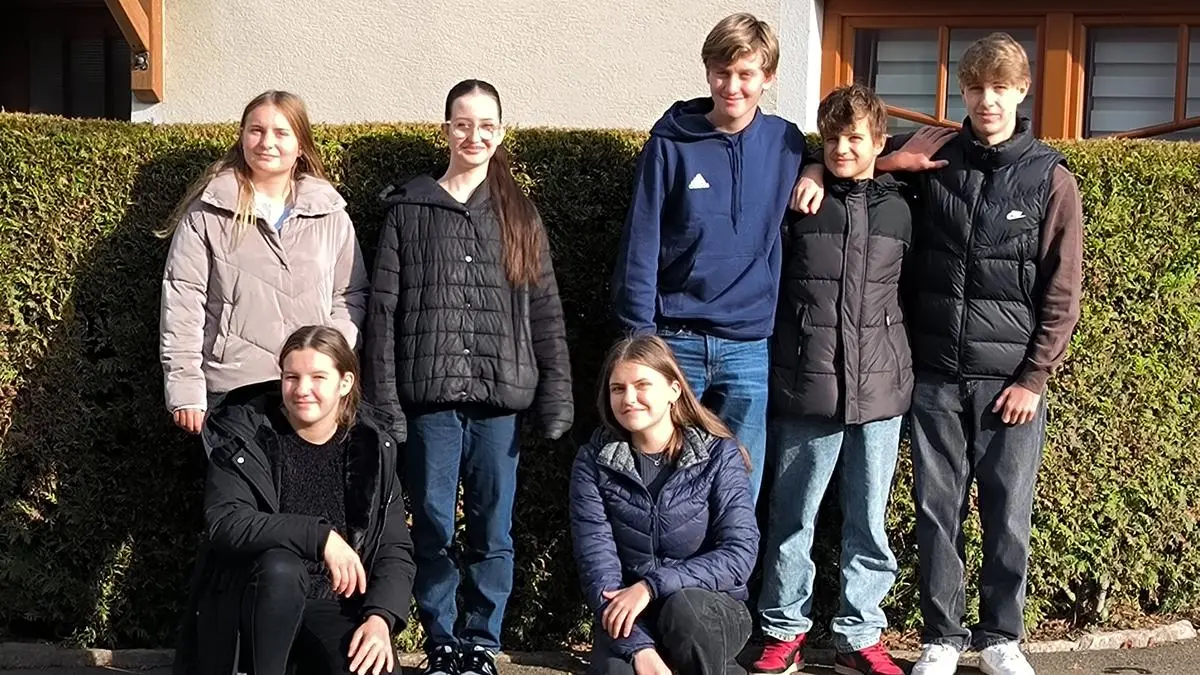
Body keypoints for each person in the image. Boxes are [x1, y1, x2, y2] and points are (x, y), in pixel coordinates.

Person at [805, 33, 1084, 675]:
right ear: (964, 91)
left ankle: (1001, 638)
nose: (988, 100)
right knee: (937, 511)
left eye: (1001, 88)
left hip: (1009, 382)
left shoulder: (1050, 176)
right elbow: (845, 152)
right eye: (977, 87)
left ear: (1022, 91)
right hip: (931, 372)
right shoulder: (932, 157)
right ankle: (943, 637)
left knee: (1008, 512)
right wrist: (815, 169)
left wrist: (1034, 376)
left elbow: (1061, 291)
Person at [363, 79, 573, 675]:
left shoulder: (518, 213)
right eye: (462, 123)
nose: (474, 135)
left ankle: (481, 641)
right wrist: (383, 405)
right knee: (430, 524)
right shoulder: (409, 209)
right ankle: (441, 639)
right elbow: (382, 313)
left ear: (500, 133)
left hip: (499, 401)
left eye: (486, 125)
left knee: (492, 528)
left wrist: (556, 392)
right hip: (428, 401)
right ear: (445, 130)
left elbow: (545, 309)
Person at [609, 13, 822, 502]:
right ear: (708, 72)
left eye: (746, 74)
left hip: (747, 345)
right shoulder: (670, 144)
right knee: (658, 479)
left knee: (738, 485)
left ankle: (725, 581)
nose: (732, 86)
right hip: (673, 340)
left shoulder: (786, 142)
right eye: (722, 72)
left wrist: (816, 172)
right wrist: (640, 338)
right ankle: (658, 579)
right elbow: (640, 242)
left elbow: (846, 153)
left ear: (768, 78)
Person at [750, 84, 911, 675]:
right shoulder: (800, 204)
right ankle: (784, 630)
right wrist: (812, 169)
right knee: (792, 519)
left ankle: (859, 637)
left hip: (881, 391)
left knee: (869, 522)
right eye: (832, 139)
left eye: (856, 138)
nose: (843, 148)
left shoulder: (902, 206)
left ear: (878, 143)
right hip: (804, 387)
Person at [173, 325, 415, 675]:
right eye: (291, 377)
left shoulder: (374, 447)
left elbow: (395, 550)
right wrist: (320, 538)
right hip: (251, 604)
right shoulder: (244, 433)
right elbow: (228, 523)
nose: (302, 390)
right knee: (281, 568)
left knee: (375, 668)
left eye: (318, 377)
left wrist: (381, 617)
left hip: (333, 605)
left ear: (344, 383)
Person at [158, 90, 368, 443]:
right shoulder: (208, 213)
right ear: (242, 137)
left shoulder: (331, 214)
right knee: (238, 498)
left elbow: (350, 294)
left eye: (281, 133)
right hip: (235, 388)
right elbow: (183, 302)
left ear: (300, 145)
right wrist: (185, 388)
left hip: (310, 397)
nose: (267, 142)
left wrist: (330, 355)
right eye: (256, 130)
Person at [570, 335, 759, 675]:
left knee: (683, 612)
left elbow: (739, 553)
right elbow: (597, 565)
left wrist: (652, 585)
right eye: (617, 389)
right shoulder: (592, 462)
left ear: (674, 390)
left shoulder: (718, 454)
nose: (629, 399)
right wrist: (639, 649)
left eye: (642, 385)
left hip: (710, 609)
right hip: (631, 615)